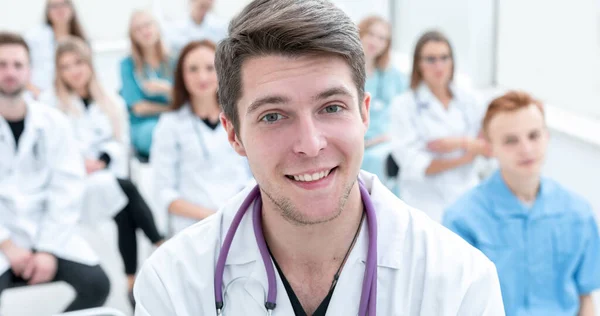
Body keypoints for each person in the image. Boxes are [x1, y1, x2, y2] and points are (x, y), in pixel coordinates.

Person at [133, 1, 504, 315]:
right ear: (234, 134)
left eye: (331, 107)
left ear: (364, 114)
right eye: (273, 116)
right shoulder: (173, 284)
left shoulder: (460, 282)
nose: (310, 144)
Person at [443, 91, 600, 316]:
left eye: (534, 136)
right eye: (510, 140)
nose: (526, 149)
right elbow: (457, 304)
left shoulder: (578, 213)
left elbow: (585, 297)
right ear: (489, 147)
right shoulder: (462, 220)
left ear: (547, 136)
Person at [39, 37, 165, 307]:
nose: (74, 70)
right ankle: (161, 244)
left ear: (89, 64)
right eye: (66, 66)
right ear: (58, 72)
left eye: (79, 63)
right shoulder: (50, 107)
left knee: (123, 207)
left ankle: (131, 284)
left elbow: (119, 145)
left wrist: (102, 159)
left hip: (103, 177)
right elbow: (51, 153)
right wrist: (78, 163)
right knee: (125, 190)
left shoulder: (109, 101)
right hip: (73, 187)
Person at [0, 32, 110, 312]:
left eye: (17, 65)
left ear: (30, 71)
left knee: (97, 284)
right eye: (2, 65)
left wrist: (47, 249)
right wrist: (8, 245)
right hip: (3, 240)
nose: (10, 72)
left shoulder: (54, 123)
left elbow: (67, 188)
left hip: (48, 232)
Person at [150, 40, 252, 235]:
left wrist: (234, 215)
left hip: (241, 221)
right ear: (181, 76)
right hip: (192, 228)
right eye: (193, 69)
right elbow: (164, 193)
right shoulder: (170, 124)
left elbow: (255, 176)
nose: (202, 76)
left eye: (209, 68)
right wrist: (213, 216)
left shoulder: (240, 118)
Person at [389, 30, 490, 222]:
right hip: (425, 202)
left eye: (444, 58)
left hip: (468, 195)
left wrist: (458, 143)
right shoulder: (404, 106)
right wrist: (467, 153)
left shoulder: (471, 100)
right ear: (418, 64)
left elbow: (490, 149)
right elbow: (415, 165)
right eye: (431, 59)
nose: (439, 66)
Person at [358, 16, 408, 186]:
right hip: (363, 143)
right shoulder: (346, 72)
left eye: (382, 38)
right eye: (371, 34)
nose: (375, 41)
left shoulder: (392, 76)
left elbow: (406, 107)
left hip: (387, 140)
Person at [120, 10, 174, 161]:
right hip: (145, 125)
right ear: (132, 36)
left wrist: (166, 89)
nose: (145, 31)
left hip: (176, 120)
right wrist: (171, 108)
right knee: (159, 136)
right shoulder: (127, 65)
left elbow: (186, 97)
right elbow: (139, 108)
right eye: (138, 29)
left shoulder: (174, 60)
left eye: (148, 25)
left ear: (157, 27)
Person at [25, 0, 87, 98]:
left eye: (64, 4)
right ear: (47, 12)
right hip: (38, 95)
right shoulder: (34, 37)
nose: (60, 9)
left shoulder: (80, 40)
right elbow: (21, 67)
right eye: (54, 6)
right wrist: (38, 94)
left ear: (71, 8)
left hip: (71, 98)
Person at [155, 0, 227, 56]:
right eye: (202, 6)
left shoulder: (220, 27)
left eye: (207, 7)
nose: (204, 11)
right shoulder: (175, 28)